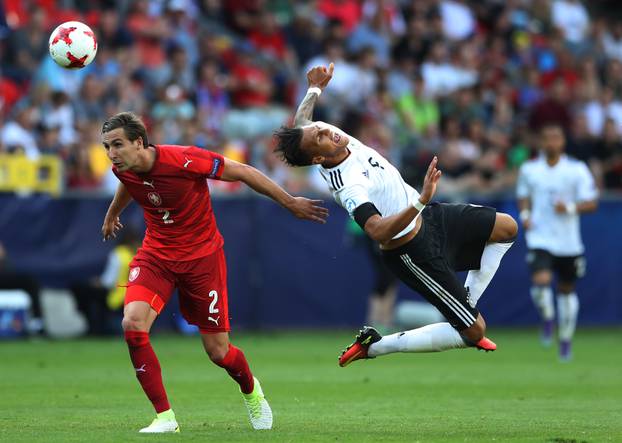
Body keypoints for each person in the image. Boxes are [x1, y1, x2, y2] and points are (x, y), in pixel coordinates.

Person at [274, 64, 518, 367]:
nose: (326, 131)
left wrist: (314, 89)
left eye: (320, 129)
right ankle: (375, 346)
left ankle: (465, 302)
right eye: (319, 137)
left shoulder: (319, 134)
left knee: (507, 227)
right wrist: (419, 201)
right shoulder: (348, 185)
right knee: (474, 330)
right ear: (318, 158)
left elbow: (301, 123)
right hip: (410, 250)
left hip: (430, 218)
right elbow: (376, 230)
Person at [101, 112, 328, 433]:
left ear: (139, 142)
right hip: (156, 257)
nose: (111, 154)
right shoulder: (123, 166)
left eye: (117, 145)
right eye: (106, 147)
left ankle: (251, 391)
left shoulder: (184, 159)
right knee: (132, 323)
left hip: (201, 261)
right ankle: (165, 417)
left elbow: (244, 172)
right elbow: (129, 183)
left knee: (218, 352)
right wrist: (113, 214)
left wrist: (289, 202)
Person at [516, 124, 598, 361]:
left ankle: (565, 339)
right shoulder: (530, 169)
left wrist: (570, 207)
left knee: (566, 291)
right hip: (540, 237)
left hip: (568, 242)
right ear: (541, 142)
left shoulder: (576, 169)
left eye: (556, 138)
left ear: (562, 142)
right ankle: (549, 319)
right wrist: (525, 216)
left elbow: (591, 202)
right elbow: (523, 195)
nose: (551, 142)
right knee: (541, 283)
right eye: (547, 138)